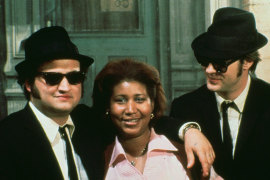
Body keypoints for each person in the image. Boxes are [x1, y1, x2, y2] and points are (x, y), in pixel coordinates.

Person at [167, 7, 270, 180]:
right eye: (205, 61)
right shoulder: (185, 106)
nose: (209, 70)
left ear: (247, 62)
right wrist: (187, 130)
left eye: (220, 64)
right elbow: (157, 124)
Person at [0, 26, 104, 180]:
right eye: (52, 78)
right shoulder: (7, 138)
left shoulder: (89, 126)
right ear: (29, 84)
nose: (65, 87)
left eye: (74, 77)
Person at [92, 59, 201, 179]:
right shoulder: (98, 160)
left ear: (153, 104)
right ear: (108, 106)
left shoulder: (183, 152)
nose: (131, 110)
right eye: (120, 100)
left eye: (139, 99)